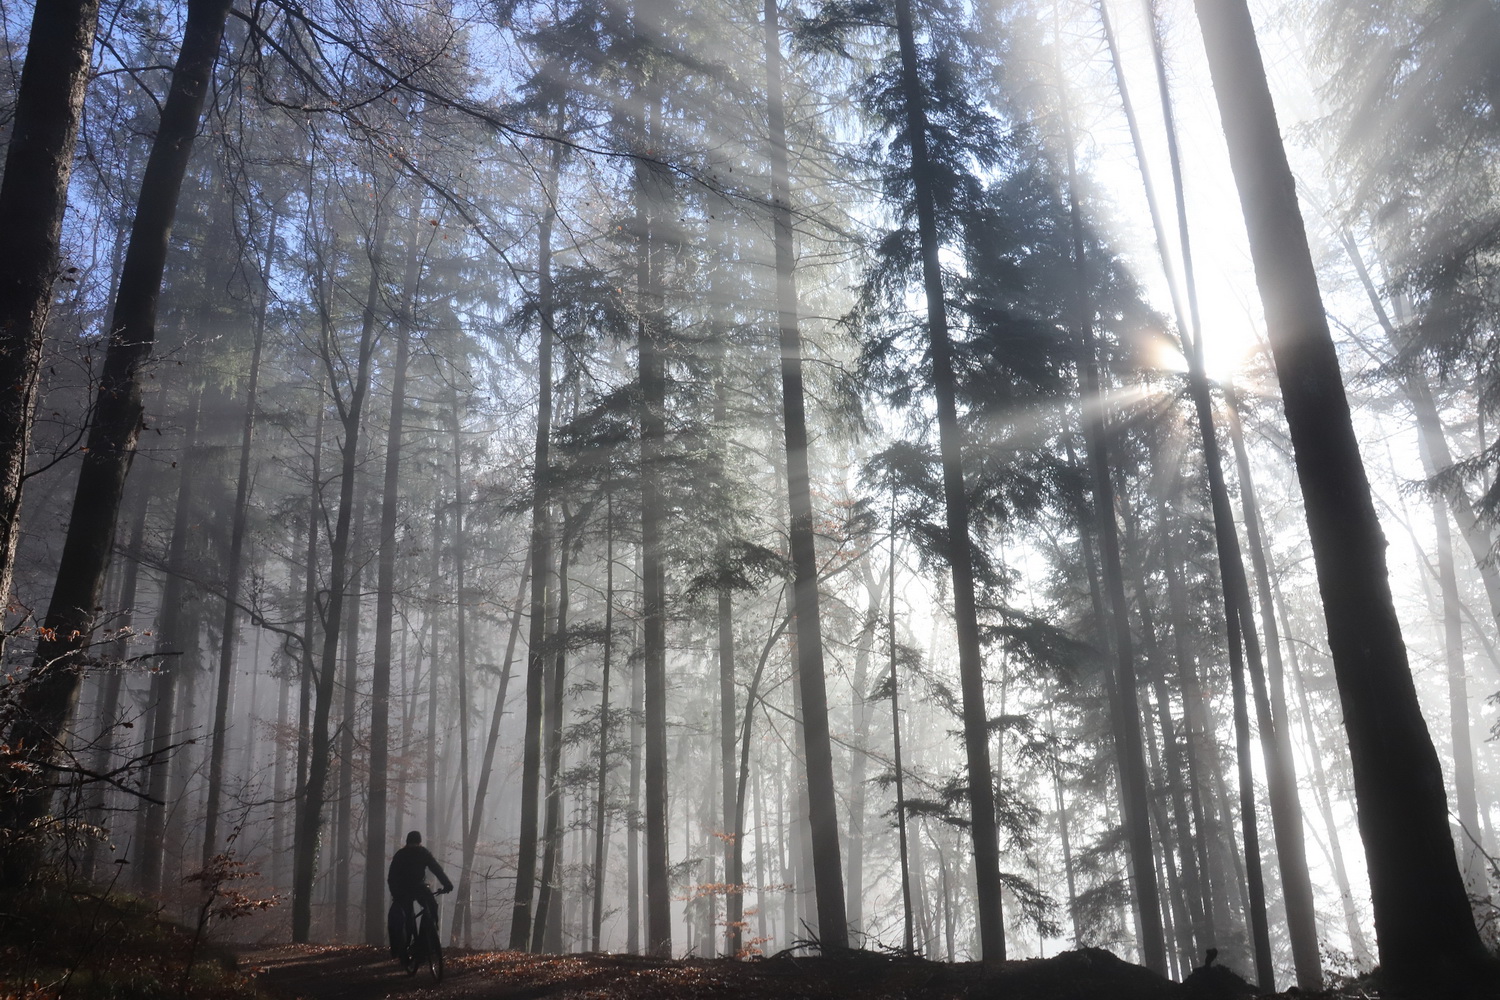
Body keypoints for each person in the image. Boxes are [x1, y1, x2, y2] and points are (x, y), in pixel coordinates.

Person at [387, 830, 453, 957]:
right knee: (420, 912)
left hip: (411, 888)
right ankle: (416, 942)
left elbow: (392, 877)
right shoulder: (418, 853)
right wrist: (447, 884)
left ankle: (421, 941)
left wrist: (447, 884)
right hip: (411, 889)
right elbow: (436, 869)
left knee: (423, 910)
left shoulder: (405, 854)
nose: (414, 847)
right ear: (419, 842)